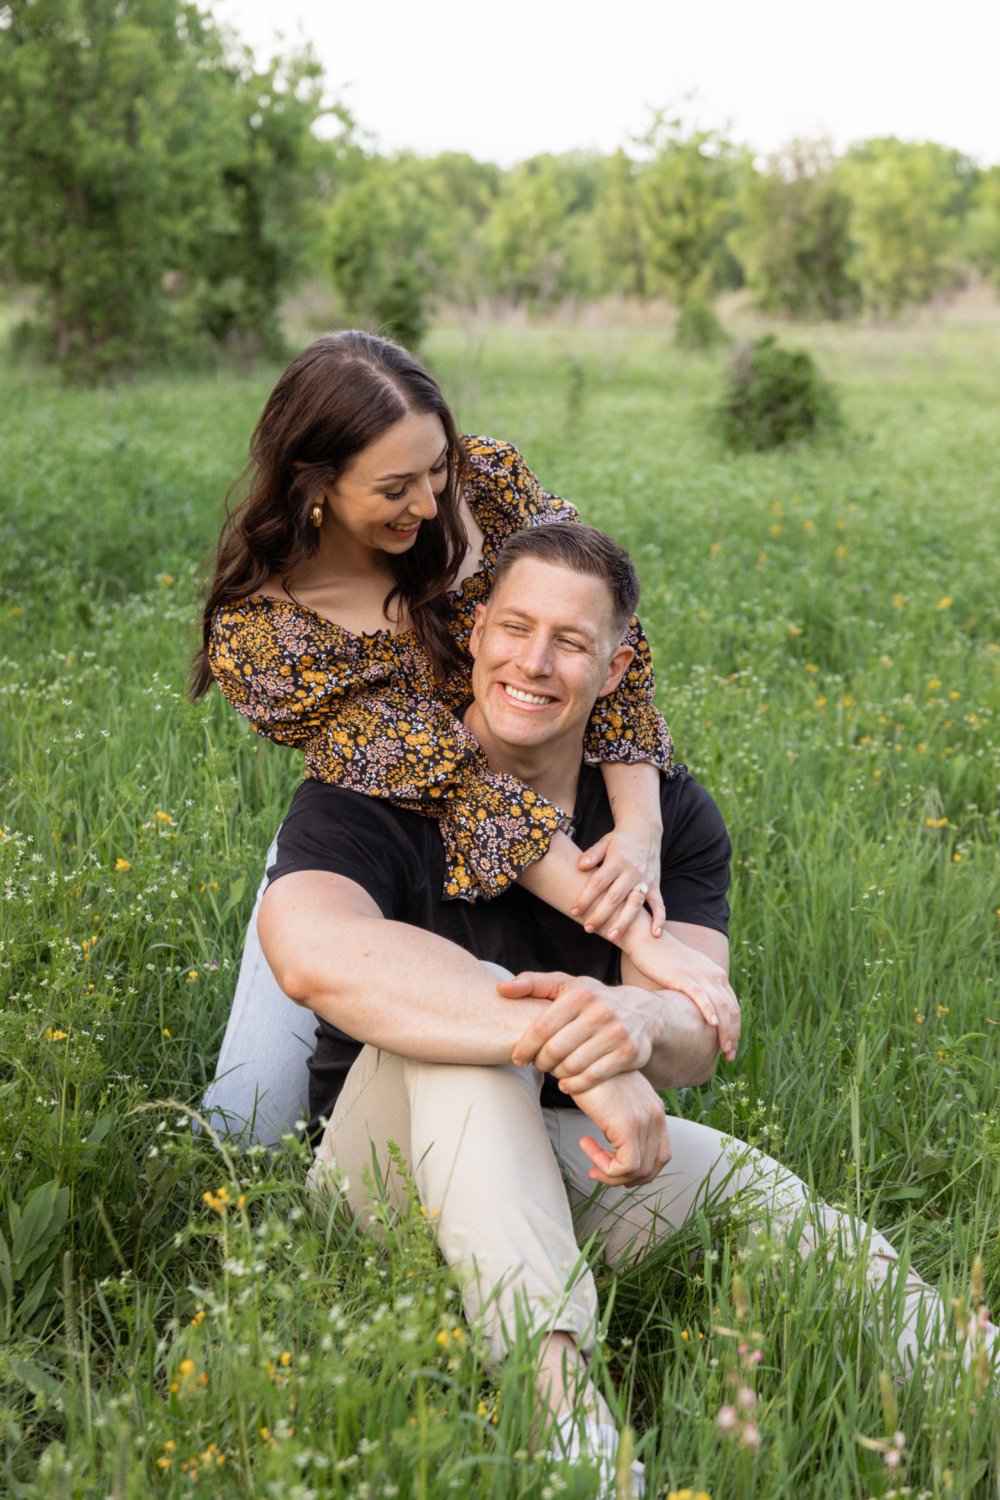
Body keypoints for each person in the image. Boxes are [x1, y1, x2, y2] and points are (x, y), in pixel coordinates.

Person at [256, 524, 997, 1496]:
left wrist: (636, 1024)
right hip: (377, 1178)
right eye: (514, 627)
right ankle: (568, 1430)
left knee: (748, 1182)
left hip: (555, 1158)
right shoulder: (381, 772)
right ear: (475, 633)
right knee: (467, 1052)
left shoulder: (667, 820)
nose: (533, 662)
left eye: (570, 641)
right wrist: (571, 1047)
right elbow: (311, 951)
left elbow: (695, 1030)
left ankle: (961, 1365)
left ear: (615, 669)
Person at [193, 331, 738, 1143]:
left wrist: (639, 830)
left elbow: (604, 629)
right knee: (247, 1136)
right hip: (382, 836)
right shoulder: (266, 635)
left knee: (514, 1085)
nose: (427, 504)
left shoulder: (485, 484)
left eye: (435, 468)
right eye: (394, 487)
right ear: (315, 482)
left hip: (554, 799)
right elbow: (452, 782)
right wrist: (630, 930)